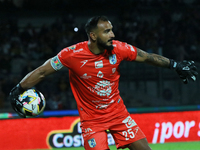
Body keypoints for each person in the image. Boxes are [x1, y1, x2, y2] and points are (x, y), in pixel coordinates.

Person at [9, 16, 198, 150]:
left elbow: (147, 57)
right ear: (93, 35)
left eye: (111, 30)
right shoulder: (71, 54)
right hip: (92, 122)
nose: (112, 34)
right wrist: (19, 88)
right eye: (107, 31)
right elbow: (42, 71)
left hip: (119, 115)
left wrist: (175, 65)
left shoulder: (119, 49)